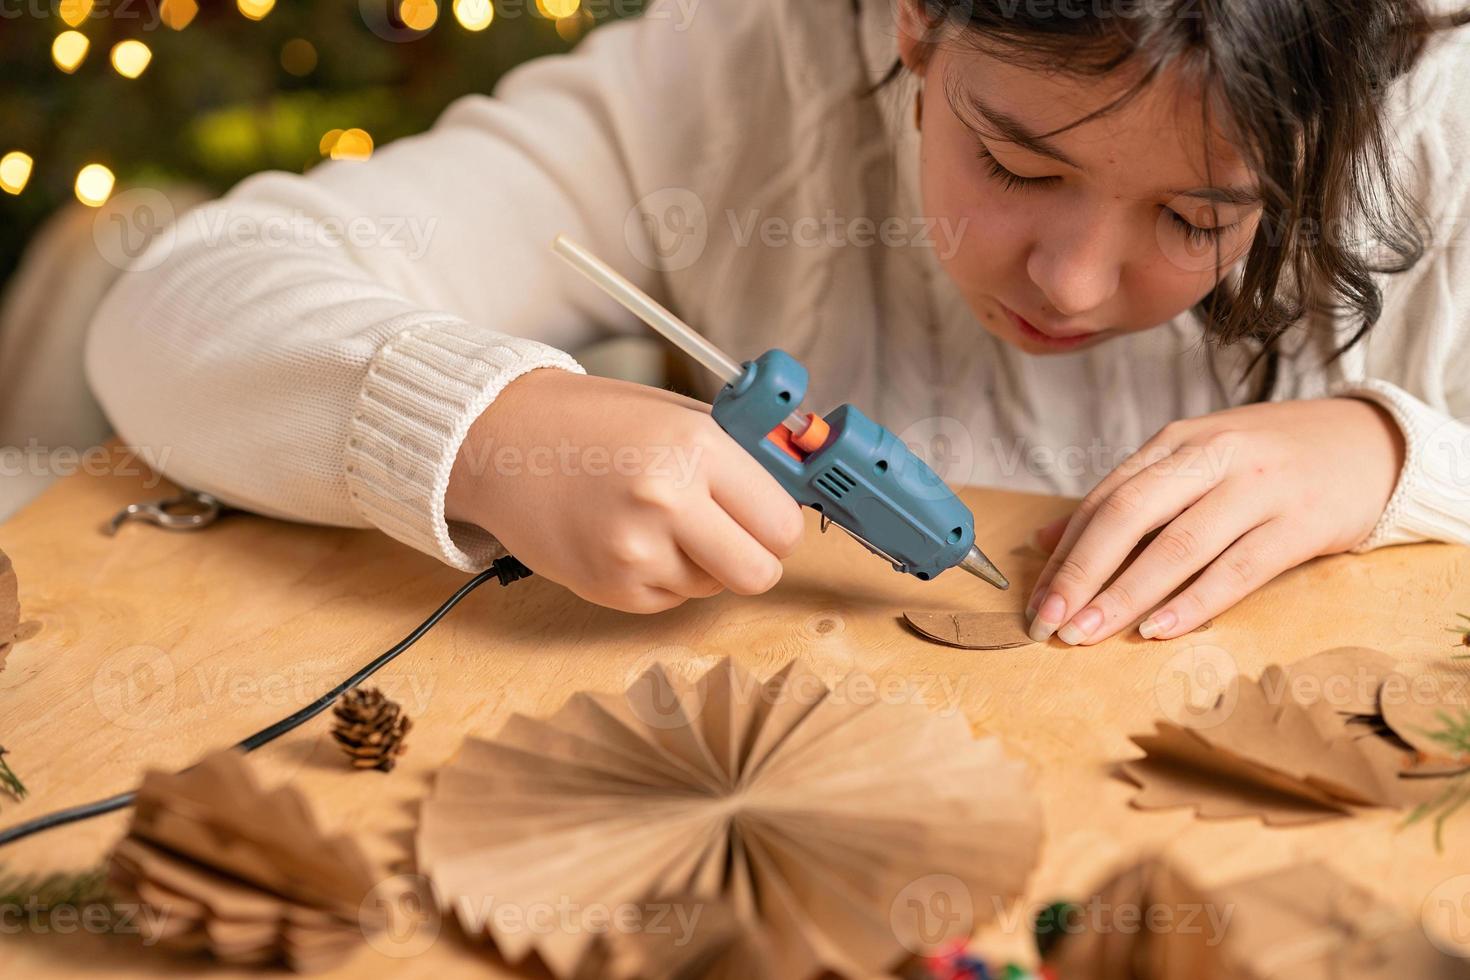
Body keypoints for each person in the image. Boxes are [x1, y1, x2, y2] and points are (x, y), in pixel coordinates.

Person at [85, 0, 1470, 645]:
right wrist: (488, 428)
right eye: (1017, 166)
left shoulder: (1441, 123)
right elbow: (181, 302)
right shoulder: (731, 71)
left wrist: (1391, 460)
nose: (1069, 283)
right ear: (916, 21)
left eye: (1196, 218)